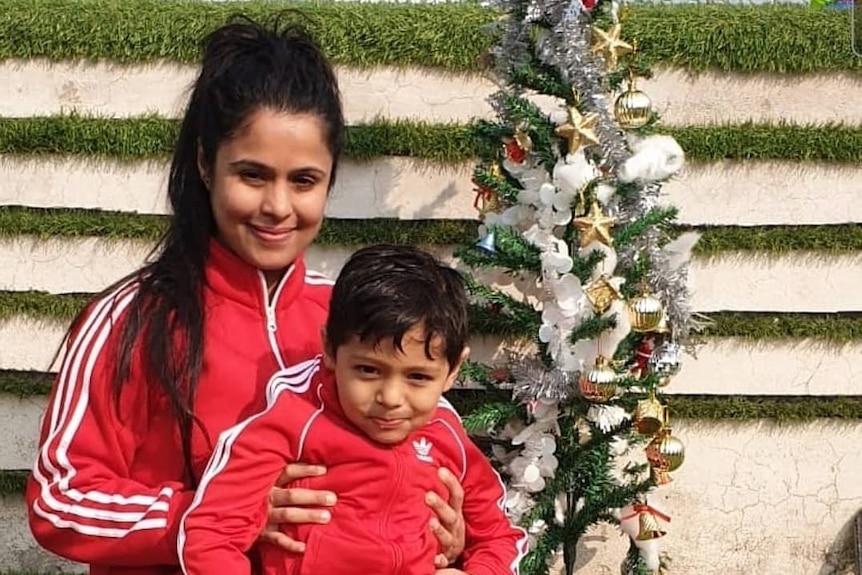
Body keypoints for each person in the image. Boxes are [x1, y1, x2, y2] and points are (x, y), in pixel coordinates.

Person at [26, 15, 465, 575]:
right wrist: (217, 514)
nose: (278, 207)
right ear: (207, 165)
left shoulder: (359, 319)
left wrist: (451, 530)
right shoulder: (129, 317)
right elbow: (58, 501)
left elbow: (427, 456)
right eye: (253, 176)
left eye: (304, 180)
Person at [178, 245, 528, 575]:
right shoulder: (291, 418)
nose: (390, 397)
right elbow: (211, 533)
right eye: (368, 370)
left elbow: (501, 538)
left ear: (453, 371)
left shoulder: (446, 434)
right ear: (329, 347)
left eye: (418, 376)